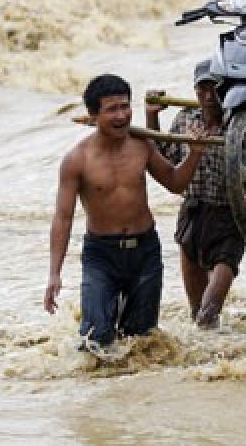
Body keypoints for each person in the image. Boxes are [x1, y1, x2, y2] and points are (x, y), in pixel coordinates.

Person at [44, 74, 206, 353]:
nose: (121, 115)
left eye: (125, 106)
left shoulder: (142, 144)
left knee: (141, 341)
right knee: (95, 339)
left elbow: (176, 183)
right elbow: (63, 217)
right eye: (112, 110)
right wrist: (54, 274)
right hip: (101, 256)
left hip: (145, 252)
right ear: (93, 116)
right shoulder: (77, 160)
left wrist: (194, 153)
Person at [146, 62, 243, 329]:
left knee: (208, 311)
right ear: (195, 90)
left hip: (230, 216)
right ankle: (206, 362)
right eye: (203, 88)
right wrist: (151, 116)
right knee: (196, 313)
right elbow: (162, 159)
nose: (210, 95)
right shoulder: (186, 118)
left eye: (215, 88)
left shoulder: (241, 121)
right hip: (192, 212)